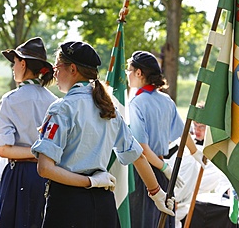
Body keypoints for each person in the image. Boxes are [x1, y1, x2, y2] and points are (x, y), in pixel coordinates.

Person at [31, 41, 174, 228]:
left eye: (57, 66)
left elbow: (45, 169)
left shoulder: (62, 108)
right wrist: (157, 193)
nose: (55, 73)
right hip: (103, 203)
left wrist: (89, 181)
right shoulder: (109, 108)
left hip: (69, 204)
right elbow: (137, 155)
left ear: (72, 69)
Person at [126, 51, 205, 228]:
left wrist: (164, 167)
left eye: (129, 69)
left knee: (143, 222)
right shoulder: (166, 99)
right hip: (163, 174)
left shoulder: (136, 103)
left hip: (143, 175)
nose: (127, 74)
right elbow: (182, 132)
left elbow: (142, 149)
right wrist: (194, 152)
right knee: (162, 222)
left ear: (139, 73)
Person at [0, 37, 57, 228]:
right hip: (52, 173)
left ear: (22, 63)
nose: (13, 68)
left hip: (19, 174)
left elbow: (4, 150)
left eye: (14, 63)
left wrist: (35, 151)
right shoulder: (55, 101)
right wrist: (43, 151)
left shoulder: (10, 100)